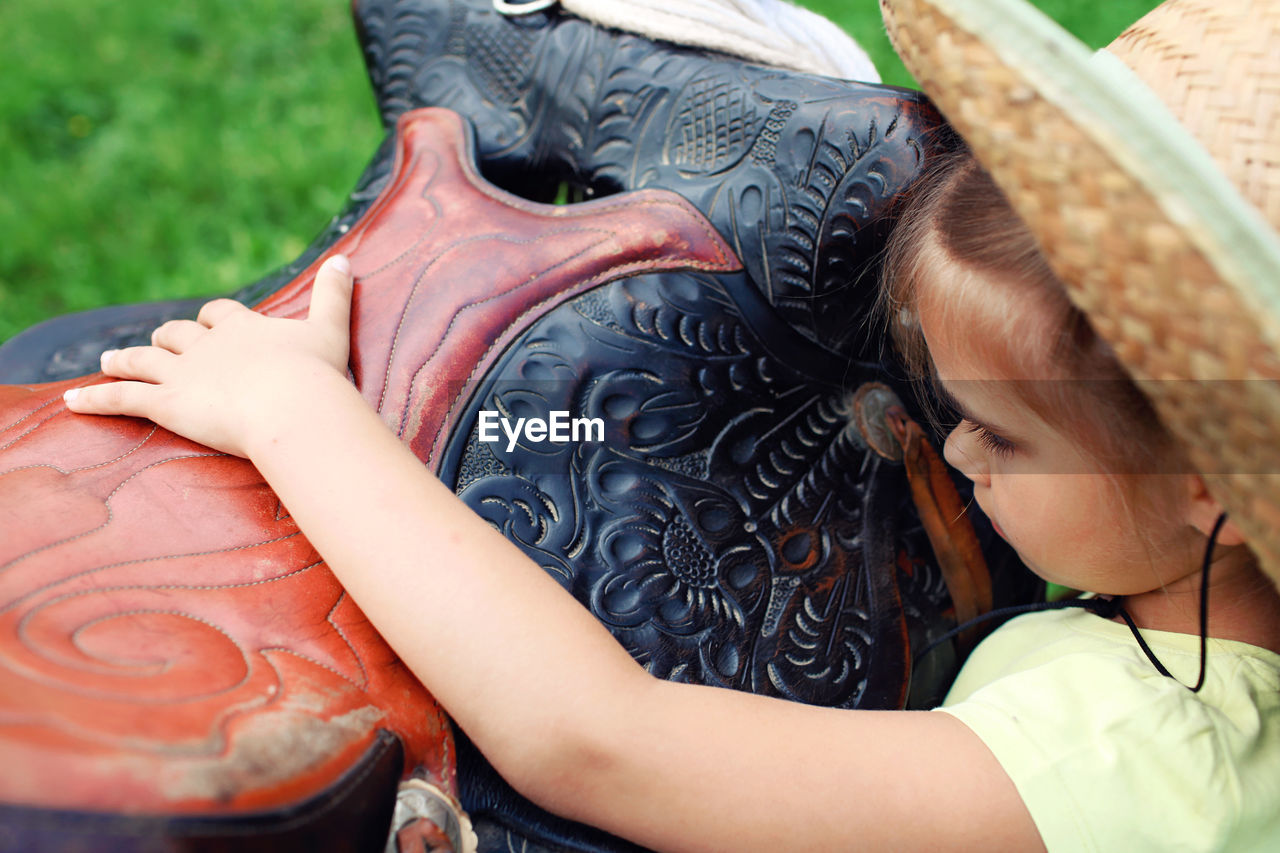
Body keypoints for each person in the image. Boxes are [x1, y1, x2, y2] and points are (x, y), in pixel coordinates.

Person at [59, 0, 1280, 850]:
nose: (957, 451)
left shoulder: (1132, 771)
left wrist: (305, 419)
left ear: (1202, 481)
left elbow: (596, 740)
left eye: (999, 433)